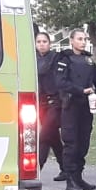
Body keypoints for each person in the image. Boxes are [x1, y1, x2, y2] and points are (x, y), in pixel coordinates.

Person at [55, 29, 96, 190]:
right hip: (71, 106)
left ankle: (78, 176)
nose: (83, 42)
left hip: (86, 107)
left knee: (83, 142)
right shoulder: (64, 58)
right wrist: (81, 90)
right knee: (71, 143)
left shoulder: (88, 60)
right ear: (71, 40)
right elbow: (60, 82)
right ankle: (70, 179)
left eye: (84, 39)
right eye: (79, 39)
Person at [35, 31, 65, 181]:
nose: (41, 45)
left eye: (44, 41)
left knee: (45, 135)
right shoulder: (32, 59)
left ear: (49, 43)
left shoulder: (55, 58)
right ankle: (65, 168)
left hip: (55, 101)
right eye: (39, 42)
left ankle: (36, 170)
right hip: (41, 103)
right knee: (53, 137)